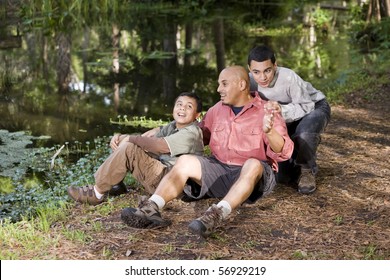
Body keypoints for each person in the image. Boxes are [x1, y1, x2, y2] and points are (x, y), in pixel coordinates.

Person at [120, 66, 294, 238]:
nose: (219, 89)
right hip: (219, 170)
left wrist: (270, 132)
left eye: (224, 84)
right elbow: (194, 134)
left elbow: (284, 152)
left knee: (253, 164)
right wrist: (161, 130)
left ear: (241, 85)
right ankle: (152, 208)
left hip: (253, 179)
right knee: (187, 161)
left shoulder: (267, 110)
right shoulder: (216, 110)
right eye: (219, 84)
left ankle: (217, 214)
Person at [67, 92, 204, 205]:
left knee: (130, 146)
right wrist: (121, 137)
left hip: (173, 185)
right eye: (179, 104)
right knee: (125, 143)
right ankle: (116, 185)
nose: (182, 108)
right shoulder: (174, 126)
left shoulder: (192, 132)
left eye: (189, 106)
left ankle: (96, 194)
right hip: (165, 176)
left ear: (197, 115)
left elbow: (159, 146)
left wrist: (129, 139)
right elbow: (149, 142)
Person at [248, 45, 331, 194]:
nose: (263, 77)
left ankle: (306, 169)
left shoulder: (288, 77)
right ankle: (297, 155)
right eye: (256, 72)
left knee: (304, 134)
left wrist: (281, 109)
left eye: (267, 70)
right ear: (249, 69)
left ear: (275, 65)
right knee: (283, 178)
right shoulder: (248, 82)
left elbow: (306, 105)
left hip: (313, 107)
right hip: (285, 117)